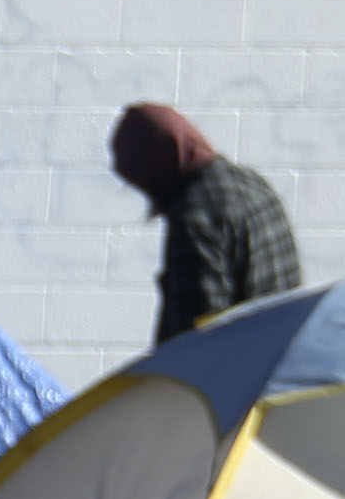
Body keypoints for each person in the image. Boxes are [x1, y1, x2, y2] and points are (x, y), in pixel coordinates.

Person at [111, 103, 300, 347]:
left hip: (234, 369)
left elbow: (197, 331)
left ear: (154, 166)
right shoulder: (251, 182)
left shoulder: (195, 215)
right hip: (279, 351)